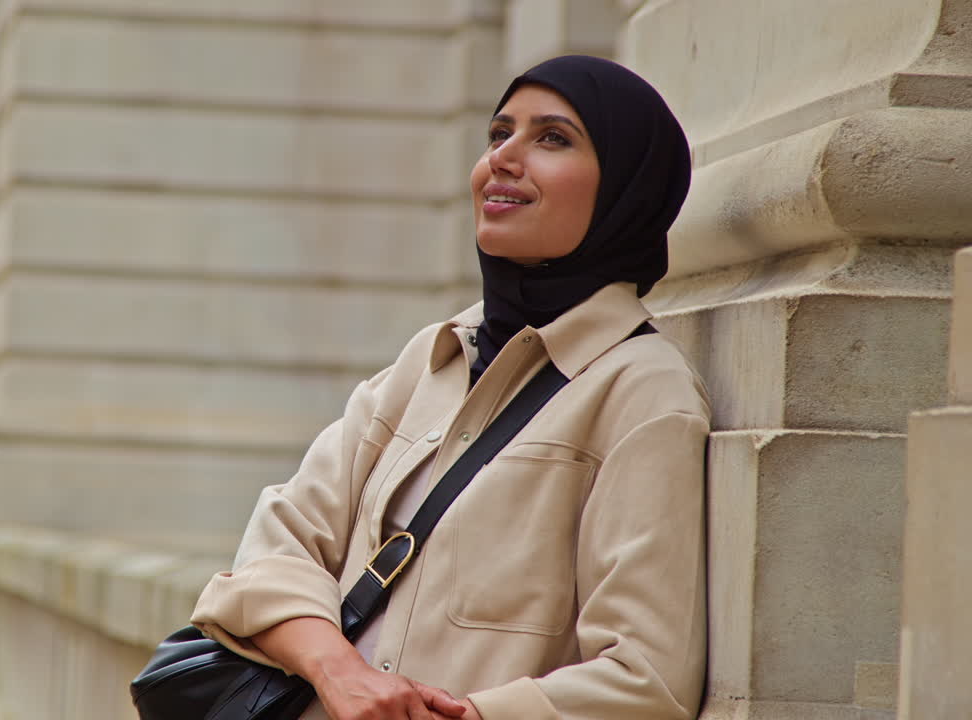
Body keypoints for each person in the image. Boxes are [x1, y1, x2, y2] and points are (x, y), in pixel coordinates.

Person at [190, 55, 709, 720]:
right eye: (499, 134)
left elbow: (646, 680)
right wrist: (340, 672)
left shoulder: (643, 393)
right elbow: (276, 547)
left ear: (626, 189)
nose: (505, 158)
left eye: (552, 138)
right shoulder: (437, 354)